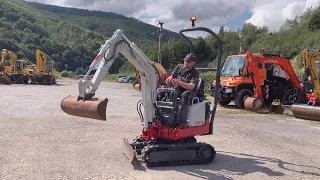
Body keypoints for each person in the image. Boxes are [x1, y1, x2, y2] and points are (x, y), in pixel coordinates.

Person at [165, 53, 199, 128]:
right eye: (185, 61)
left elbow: (191, 87)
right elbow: (172, 76)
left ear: (193, 63)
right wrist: (169, 79)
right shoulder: (179, 67)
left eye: (188, 61)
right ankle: (168, 117)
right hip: (178, 89)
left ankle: (181, 122)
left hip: (189, 92)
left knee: (185, 95)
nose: (186, 63)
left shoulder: (195, 73)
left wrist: (178, 82)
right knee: (168, 92)